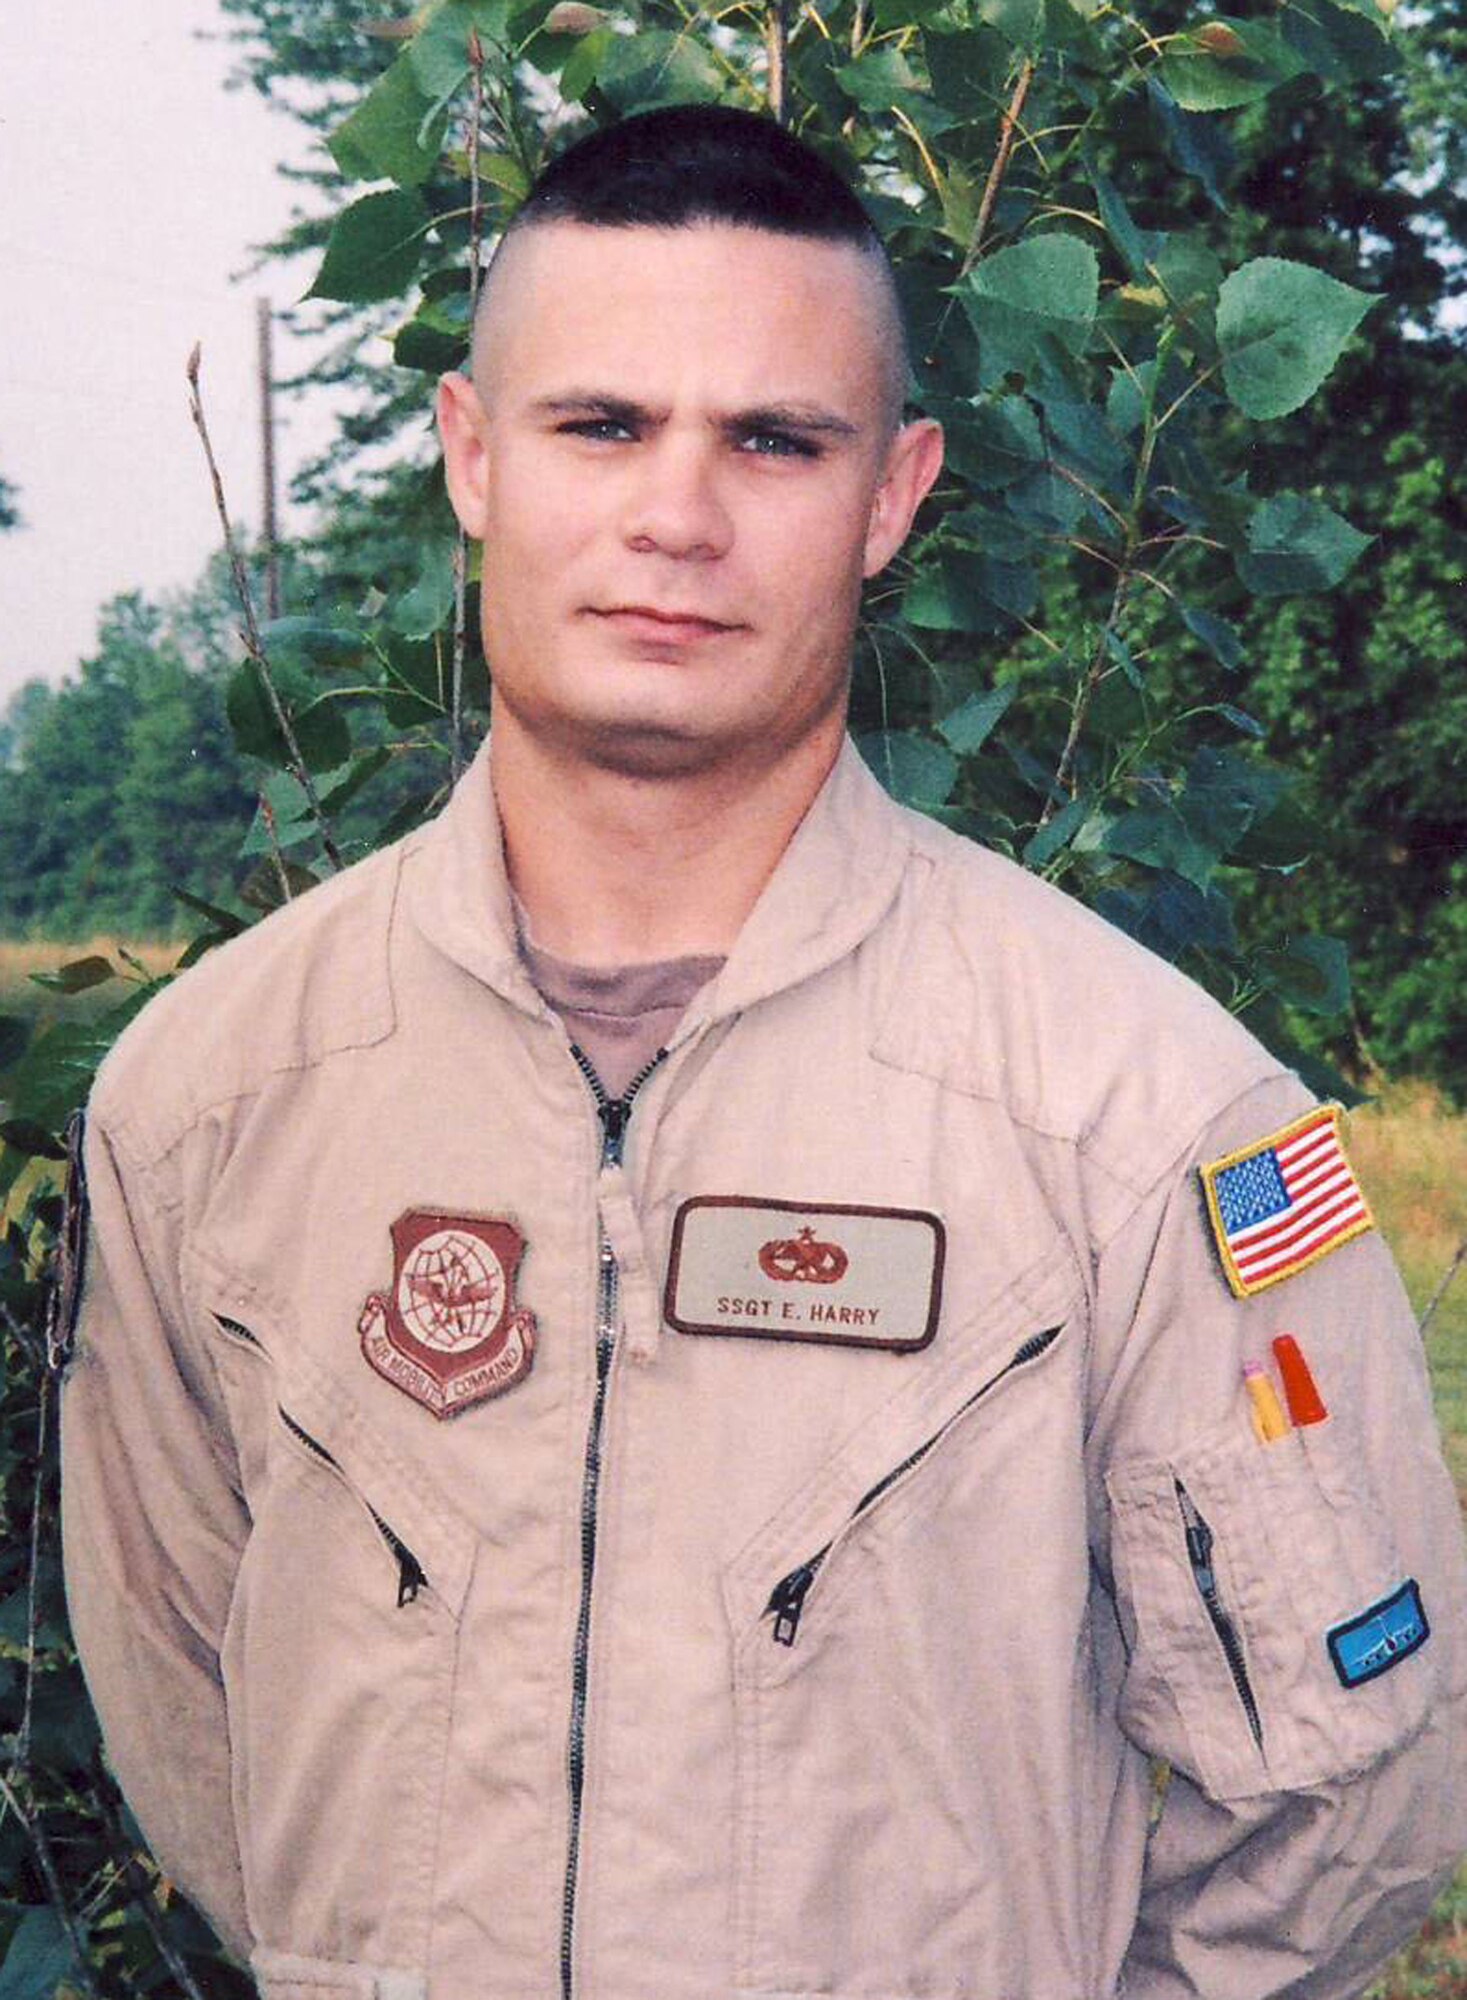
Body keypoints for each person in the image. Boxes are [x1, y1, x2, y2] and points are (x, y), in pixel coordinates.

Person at [61, 104, 1467, 2000]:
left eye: (776, 441)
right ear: (472, 457)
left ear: (893, 495)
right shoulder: (210, 1100)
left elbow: (1348, 1801)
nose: (678, 518)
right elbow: (195, 1723)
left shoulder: (1144, 1116)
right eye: (600, 424)